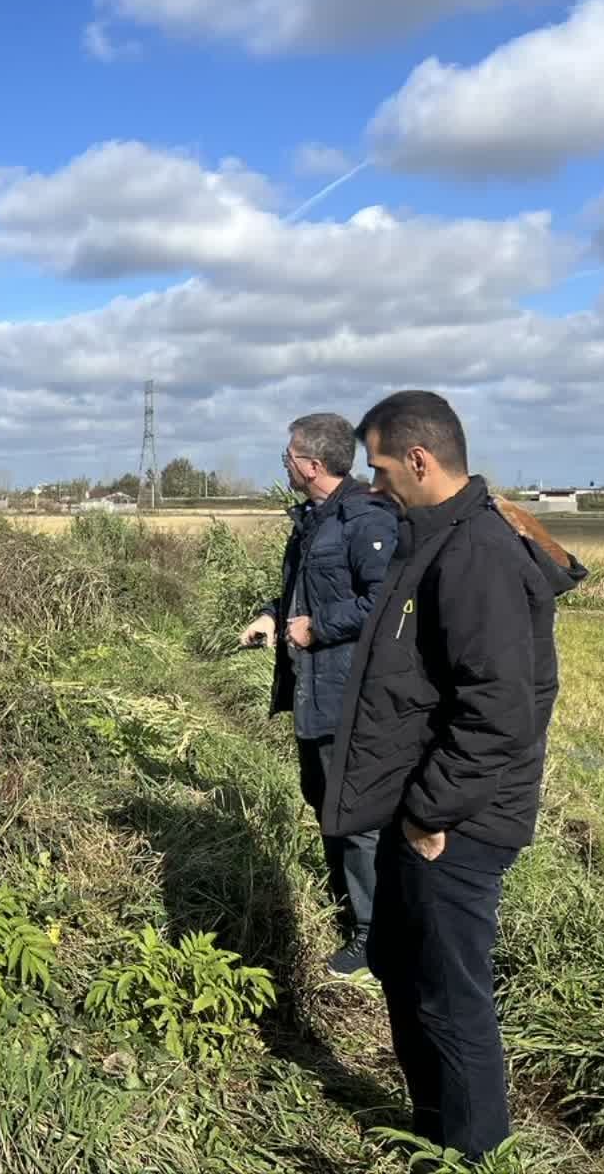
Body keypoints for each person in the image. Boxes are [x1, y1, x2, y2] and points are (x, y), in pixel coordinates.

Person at [325, 390, 585, 1160]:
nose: (372, 486)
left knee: (450, 998)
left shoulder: (473, 552)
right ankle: (430, 1132)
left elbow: (499, 708)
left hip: (458, 823)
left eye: (378, 469)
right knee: (404, 971)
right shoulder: (432, 537)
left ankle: (472, 1153)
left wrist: (430, 814)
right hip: (431, 807)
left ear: (418, 458)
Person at [241, 412, 398, 977]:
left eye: (287, 457)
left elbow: (386, 599)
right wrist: (271, 615)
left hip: (349, 695)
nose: (283, 464)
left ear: (310, 465)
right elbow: (299, 590)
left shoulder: (366, 520)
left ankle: (372, 937)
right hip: (313, 693)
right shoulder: (311, 520)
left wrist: (317, 627)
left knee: (355, 817)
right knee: (324, 801)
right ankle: (346, 908)